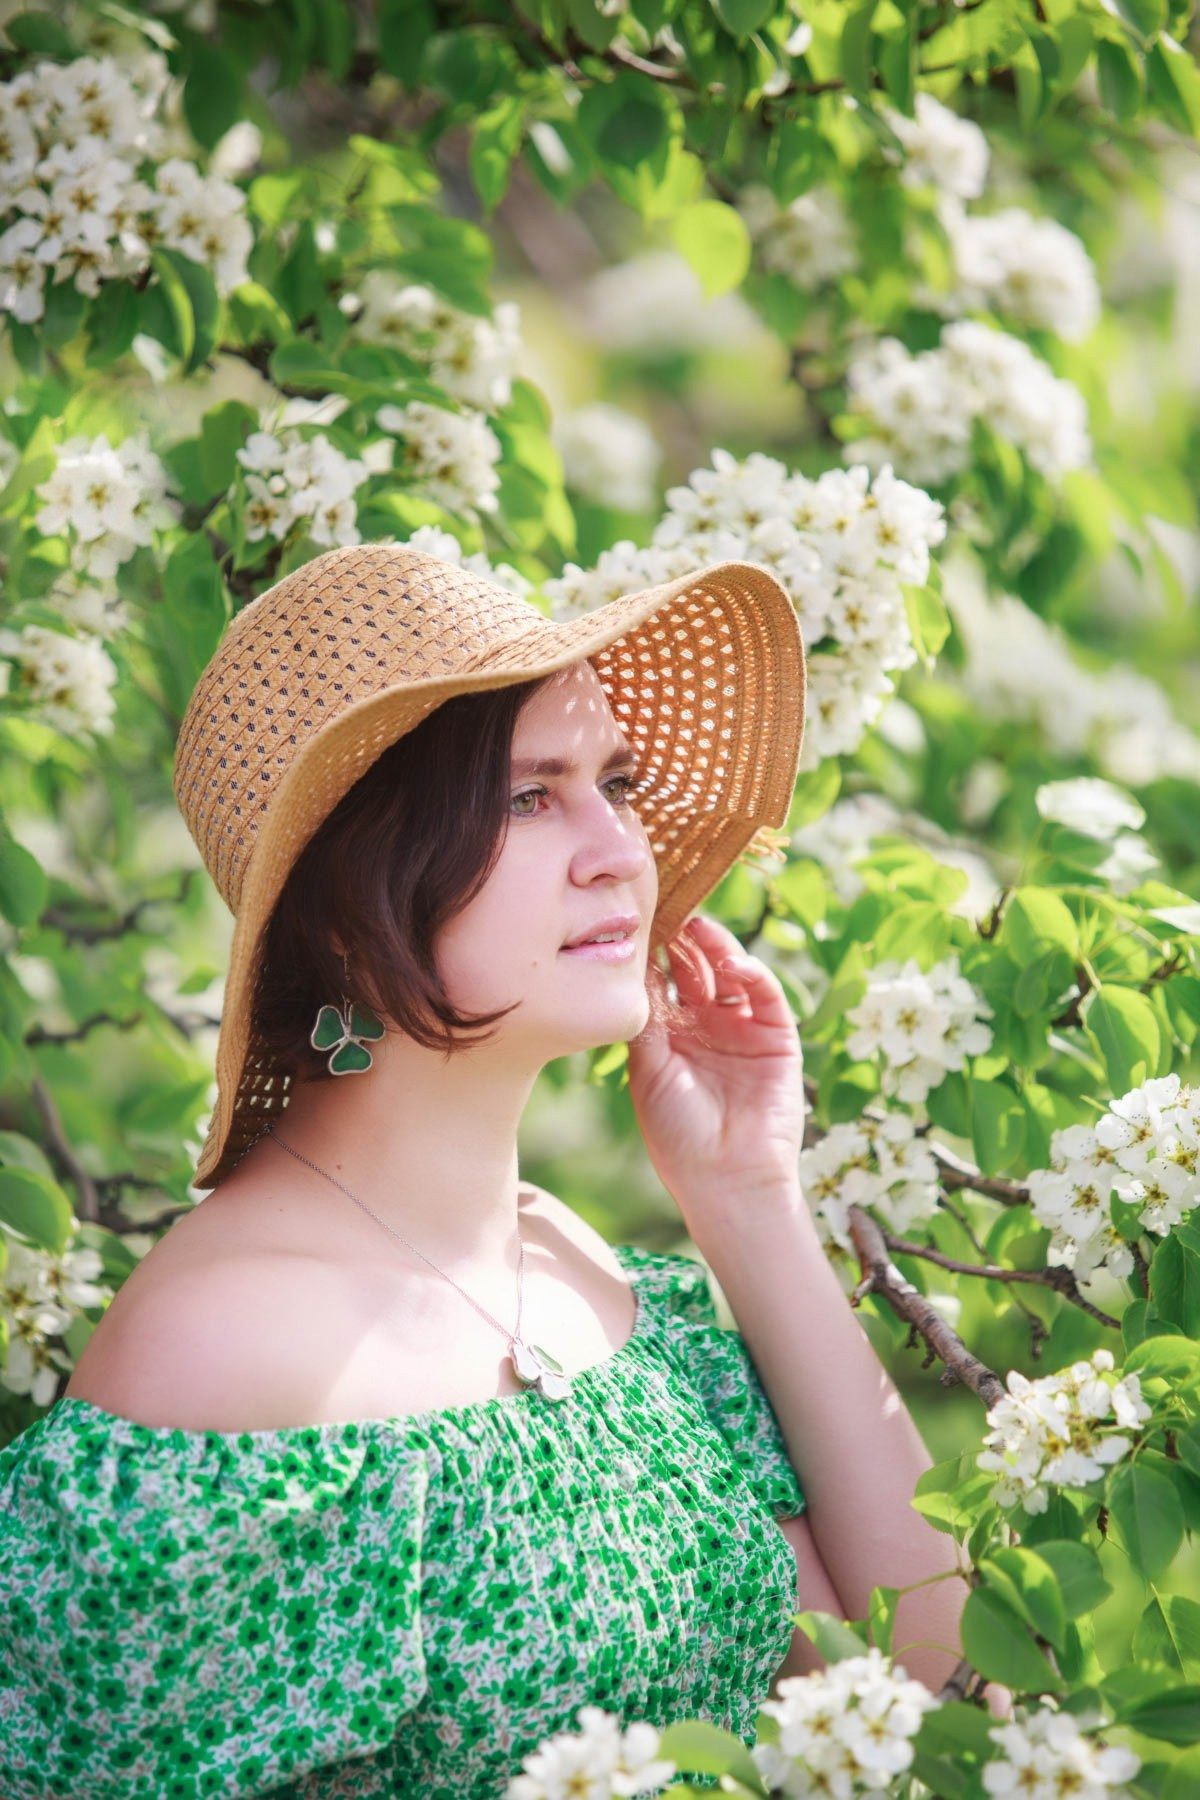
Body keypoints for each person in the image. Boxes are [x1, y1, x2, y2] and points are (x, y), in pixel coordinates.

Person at [0, 545, 970, 1800]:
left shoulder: (574, 1264)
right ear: (351, 893)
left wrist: (748, 1195)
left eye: (616, 782)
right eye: (529, 798)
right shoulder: (222, 1353)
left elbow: (927, 1692)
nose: (621, 848)